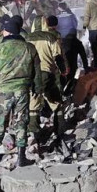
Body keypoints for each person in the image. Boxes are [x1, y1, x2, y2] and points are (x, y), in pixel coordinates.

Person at [0, 17, 41, 167]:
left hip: (3, 92)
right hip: (22, 91)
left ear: (7, 32)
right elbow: (37, 72)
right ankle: (21, 156)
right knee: (21, 123)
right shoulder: (30, 48)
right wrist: (37, 88)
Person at [27, 16, 68, 144]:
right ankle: (60, 130)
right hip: (47, 74)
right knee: (56, 102)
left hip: (32, 75)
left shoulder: (27, 38)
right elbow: (58, 57)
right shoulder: (51, 37)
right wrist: (63, 70)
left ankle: (34, 133)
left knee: (33, 104)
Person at [57, 2, 88, 83]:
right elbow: (76, 25)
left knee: (65, 63)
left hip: (63, 42)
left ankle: (66, 81)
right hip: (73, 40)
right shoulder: (71, 16)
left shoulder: (57, 17)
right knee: (75, 61)